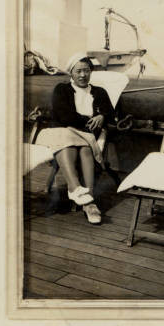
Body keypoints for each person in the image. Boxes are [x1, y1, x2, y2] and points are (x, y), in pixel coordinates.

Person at [35, 52, 115, 224]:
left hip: (84, 135)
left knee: (84, 148)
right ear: (71, 72)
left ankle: (86, 198)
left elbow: (112, 114)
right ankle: (79, 191)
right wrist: (89, 120)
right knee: (69, 141)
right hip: (60, 132)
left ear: (91, 72)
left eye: (86, 71)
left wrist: (103, 117)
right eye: (78, 71)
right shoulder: (61, 90)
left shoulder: (100, 92)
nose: (82, 75)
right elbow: (64, 117)